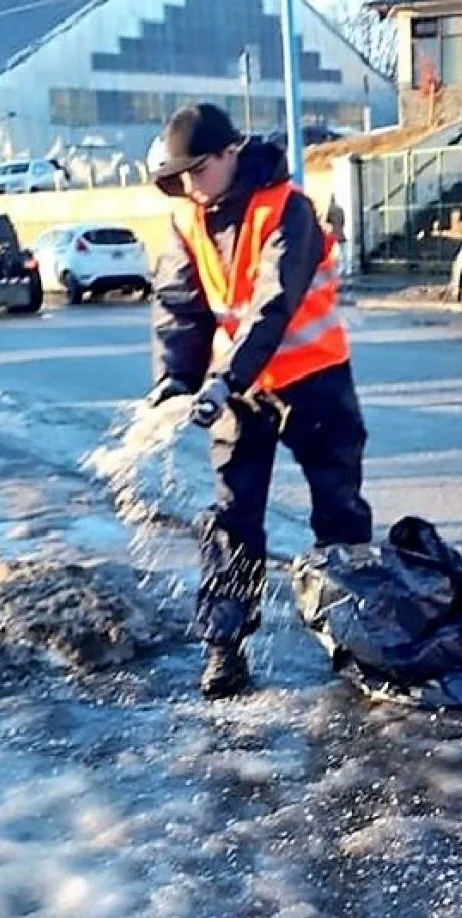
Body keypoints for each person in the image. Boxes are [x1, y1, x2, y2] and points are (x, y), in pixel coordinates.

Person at [146, 102, 374, 699]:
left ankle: (351, 639)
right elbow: (180, 305)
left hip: (314, 379)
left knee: (339, 513)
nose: (190, 184)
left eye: (199, 169)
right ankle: (224, 646)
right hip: (240, 391)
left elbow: (274, 305)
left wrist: (225, 378)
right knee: (233, 516)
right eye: (182, 174)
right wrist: (176, 377)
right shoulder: (188, 219)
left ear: (231, 153)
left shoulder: (287, 209)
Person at [324, 193, 351, 278]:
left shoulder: (330, 209)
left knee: (334, 252)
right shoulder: (340, 209)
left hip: (334, 233)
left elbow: (328, 221)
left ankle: (338, 269)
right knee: (344, 251)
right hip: (341, 232)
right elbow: (343, 220)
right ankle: (347, 268)